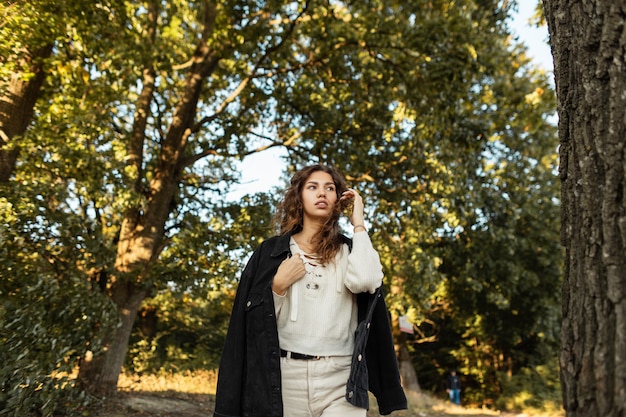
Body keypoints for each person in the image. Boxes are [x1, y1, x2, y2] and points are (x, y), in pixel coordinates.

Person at [213, 164, 407, 417]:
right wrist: (277, 287)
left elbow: (368, 282)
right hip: (283, 379)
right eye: (312, 187)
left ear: (339, 199)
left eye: (330, 188)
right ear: (299, 196)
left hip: (341, 380)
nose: (322, 194)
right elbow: (253, 324)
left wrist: (358, 223)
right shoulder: (271, 253)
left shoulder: (352, 250)